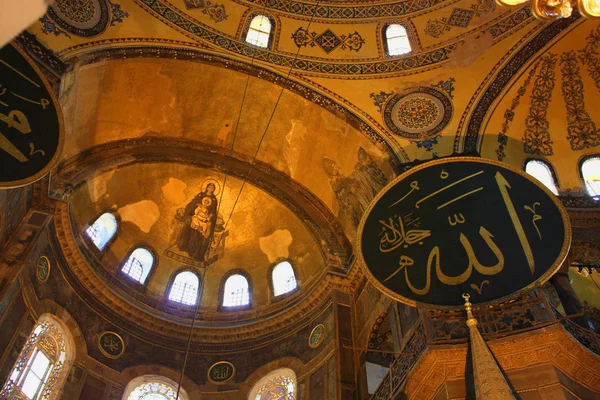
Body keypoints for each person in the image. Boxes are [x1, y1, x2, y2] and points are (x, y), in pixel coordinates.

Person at [176, 183, 218, 261]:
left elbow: (213, 211)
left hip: (204, 219)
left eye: (212, 188)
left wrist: (210, 216)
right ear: (207, 187)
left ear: (214, 189)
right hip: (196, 216)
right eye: (209, 187)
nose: (211, 188)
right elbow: (193, 204)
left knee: (205, 229)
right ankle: (184, 245)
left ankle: (197, 252)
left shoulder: (214, 199)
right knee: (189, 221)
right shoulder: (200, 195)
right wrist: (197, 205)